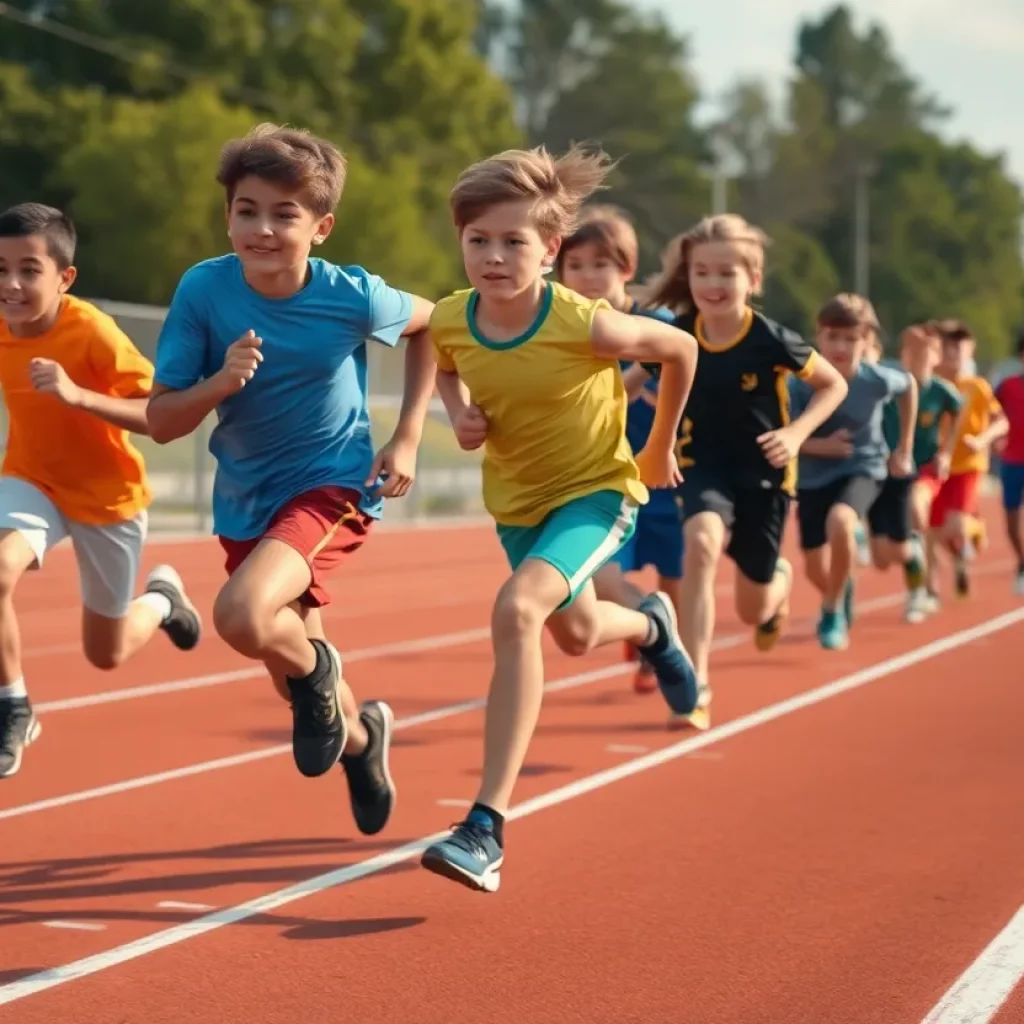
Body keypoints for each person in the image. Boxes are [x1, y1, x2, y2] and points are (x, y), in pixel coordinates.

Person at [420, 145, 700, 893]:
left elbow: (681, 347)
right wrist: (456, 412)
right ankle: (651, 628)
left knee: (518, 612)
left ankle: (485, 827)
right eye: (478, 240)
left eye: (514, 242)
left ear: (550, 250)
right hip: (518, 507)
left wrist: (657, 446)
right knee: (573, 634)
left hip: (596, 493)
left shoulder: (589, 325)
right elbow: (437, 352)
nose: (494, 256)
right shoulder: (454, 317)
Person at [147, 124, 437, 836]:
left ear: (322, 226)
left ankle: (318, 679)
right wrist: (220, 382)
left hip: (331, 486)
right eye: (248, 210)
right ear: (228, 215)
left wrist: (407, 437)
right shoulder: (203, 290)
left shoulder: (353, 298)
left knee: (241, 616)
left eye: (285, 214)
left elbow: (435, 328)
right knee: (290, 667)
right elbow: (161, 420)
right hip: (245, 498)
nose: (263, 229)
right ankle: (364, 740)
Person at [0, 203, 200, 778]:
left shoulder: (91, 332)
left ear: (64, 278)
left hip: (105, 497)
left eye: (29, 270)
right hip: (31, 480)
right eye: (1, 268)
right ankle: (14, 705)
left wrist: (78, 396)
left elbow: (160, 414)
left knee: (105, 653)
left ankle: (163, 602)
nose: (12, 284)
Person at [631, 215, 847, 726]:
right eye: (702, 272)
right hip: (701, 464)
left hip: (765, 474)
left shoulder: (771, 338)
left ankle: (779, 585)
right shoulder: (677, 335)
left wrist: (795, 436)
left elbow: (832, 384)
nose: (712, 284)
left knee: (752, 609)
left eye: (727, 273)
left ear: (753, 279)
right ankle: (697, 682)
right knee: (701, 544)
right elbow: (622, 383)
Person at [556, 206, 684, 696]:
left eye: (600, 264)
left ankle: (665, 646)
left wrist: (633, 377)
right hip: (602, 479)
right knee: (605, 579)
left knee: (675, 574)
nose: (588, 276)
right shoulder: (561, 325)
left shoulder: (656, 321)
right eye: (577, 265)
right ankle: (648, 626)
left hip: (667, 472)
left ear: (626, 269)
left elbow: (670, 364)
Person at [791, 294, 917, 650]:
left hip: (864, 467)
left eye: (851, 339)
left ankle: (831, 611)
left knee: (843, 521)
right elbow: (788, 435)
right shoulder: (801, 383)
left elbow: (910, 388)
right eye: (832, 337)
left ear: (867, 341)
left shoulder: (875, 379)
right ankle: (838, 589)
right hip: (813, 476)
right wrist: (820, 446)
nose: (841, 346)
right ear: (819, 336)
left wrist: (904, 447)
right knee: (815, 567)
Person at [870, 324, 962, 623]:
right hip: (885, 470)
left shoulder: (942, 391)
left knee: (917, 509)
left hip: (923, 468)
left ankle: (918, 592)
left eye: (927, 353)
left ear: (936, 358)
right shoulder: (892, 384)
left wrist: (946, 452)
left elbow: (958, 412)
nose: (920, 358)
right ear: (904, 356)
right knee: (882, 560)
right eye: (913, 353)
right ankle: (914, 556)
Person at [928, 321, 1007, 600]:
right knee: (933, 529)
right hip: (938, 465)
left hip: (968, 466)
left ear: (970, 350)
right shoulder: (933, 385)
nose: (954, 353)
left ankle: (974, 529)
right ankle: (934, 583)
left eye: (960, 348)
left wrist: (982, 440)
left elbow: (1001, 423)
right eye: (948, 347)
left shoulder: (978, 387)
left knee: (955, 526)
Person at [994, 329, 1024, 594]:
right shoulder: (1007, 386)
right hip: (1013, 461)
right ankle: (1023, 562)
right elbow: (991, 415)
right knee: (1012, 522)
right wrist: (993, 440)